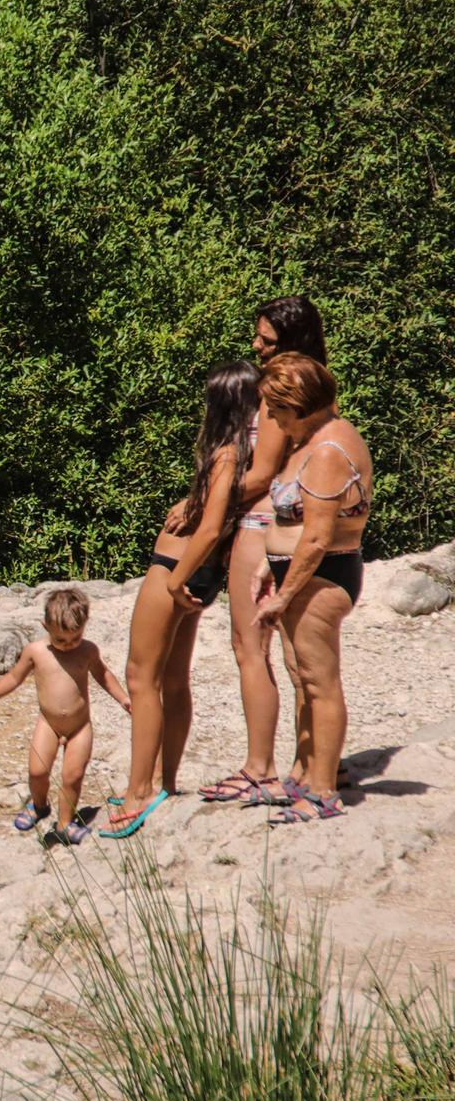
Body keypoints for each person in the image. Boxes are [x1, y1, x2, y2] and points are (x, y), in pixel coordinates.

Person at [102, 360, 257, 838]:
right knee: (173, 679)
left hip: (176, 566)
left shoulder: (225, 453)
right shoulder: (252, 453)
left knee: (141, 678)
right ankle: (162, 781)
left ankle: (139, 792)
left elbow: (210, 527)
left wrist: (175, 579)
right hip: (203, 572)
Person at [198, 296, 328, 805]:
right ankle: (307, 764)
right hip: (295, 524)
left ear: (291, 342)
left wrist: (203, 504)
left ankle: (259, 767)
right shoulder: (318, 381)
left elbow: (264, 472)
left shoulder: (284, 386)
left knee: (250, 648)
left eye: (267, 341)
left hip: (263, 524)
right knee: (298, 658)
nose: (256, 347)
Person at [252, 352, 371, 824]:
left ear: (298, 406)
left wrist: (283, 593)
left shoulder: (326, 452)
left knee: (320, 683)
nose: (275, 420)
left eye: (277, 410)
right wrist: (272, 568)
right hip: (304, 573)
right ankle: (306, 775)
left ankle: (323, 790)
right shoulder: (320, 437)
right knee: (302, 675)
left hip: (323, 578)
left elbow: (319, 535)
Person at [0, 588, 130, 845]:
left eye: (75, 638)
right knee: (37, 771)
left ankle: (65, 824)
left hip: (80, 727)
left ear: (84, 627)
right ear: (45, 626)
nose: (69, 645)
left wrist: (124, 698)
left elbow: (103, 676)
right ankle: (39, 805)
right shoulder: (36, 651)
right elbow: (15, 676)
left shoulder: (88, 651)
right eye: (60, 640)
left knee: (72, 777)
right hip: (48, 722)